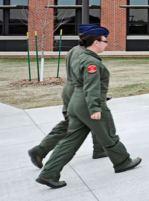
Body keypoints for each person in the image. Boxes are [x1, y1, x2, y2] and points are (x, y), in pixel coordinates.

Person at [36, 25, 141, 188]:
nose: (107, 44)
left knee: (70, 141)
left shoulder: (80, 55)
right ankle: (123, 162)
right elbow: (91, 87)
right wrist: (95, 108)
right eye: (105, 41)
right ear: (96, 42)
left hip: (75, 103)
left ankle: (48, 173)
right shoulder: (91, 61)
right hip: (87, 104)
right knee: (108, 133)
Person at [27, 25, 106, 168]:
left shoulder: (73, 50)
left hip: (71, 89)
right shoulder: (85, 53)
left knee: (88, 120)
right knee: (74, 124)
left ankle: (100, 149)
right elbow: (87, 78)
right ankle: (40, 150)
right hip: (78, 90)